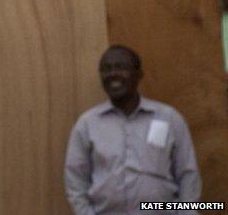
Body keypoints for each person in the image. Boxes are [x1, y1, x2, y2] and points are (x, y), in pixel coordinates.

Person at [65, 45, 202, 214]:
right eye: (106, 69)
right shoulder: (87, 124)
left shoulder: (169, 119)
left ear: (139, 75)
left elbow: (188, 174)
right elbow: (75, 181)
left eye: (121, 67)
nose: (113, 74)